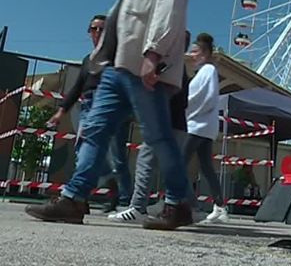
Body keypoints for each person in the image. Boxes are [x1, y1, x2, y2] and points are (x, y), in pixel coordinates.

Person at [25, 0, 191, 230]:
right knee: (94, 132)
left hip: (143, 72)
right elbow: (116, 30)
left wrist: (153, 56)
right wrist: (99, 65)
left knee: (157, 138)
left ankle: (178, 203)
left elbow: (169, 15)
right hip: (115, 72)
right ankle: (73, 199)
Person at [108, 31, 195, 224]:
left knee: (145, 163)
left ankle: (138, 207)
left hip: (165, 123)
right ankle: (183, 207)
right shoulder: (181, 69)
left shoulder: (171, 67)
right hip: (178, 124)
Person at [47, 15, 132, 213]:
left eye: (102, 29)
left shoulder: (117, 56)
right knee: (83, 150)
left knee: (117, 156)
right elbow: (77, 87)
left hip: (111, 106)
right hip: (88, 106)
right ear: (89, 32)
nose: (98, 33)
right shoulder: (88, 60)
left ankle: (126, 201)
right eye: (94, 29)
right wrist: (61, 111)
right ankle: (85, 193)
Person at [184, 33, 228, 223]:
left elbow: (209, 98)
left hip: (197, 126)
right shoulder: (205, 72)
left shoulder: (208, 70)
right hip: (204, 127)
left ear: (204, 54)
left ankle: (185, 204)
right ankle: (220, 207)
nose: (192, 55)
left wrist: (187, 112)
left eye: (195, 52)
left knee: (178, 163)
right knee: (206, 168)